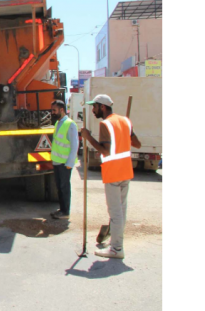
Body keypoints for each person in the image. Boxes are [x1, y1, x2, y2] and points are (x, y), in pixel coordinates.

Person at [82, 95, 142, 260]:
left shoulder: (105, 124)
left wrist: (88, 137)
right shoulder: (125, 121)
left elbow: (105, 151)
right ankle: (116, 243)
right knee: (121, 212)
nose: (93, 110)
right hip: (125, 172)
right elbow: (137, 144)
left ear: (102, 107)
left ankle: (116, 248)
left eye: (94, 107)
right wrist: (125, 133)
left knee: (115, 213)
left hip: (113, 174)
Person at [50, 100, 80, 221]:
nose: (52, 113)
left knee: (64, 187)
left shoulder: (70, 124)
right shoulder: (58, 123)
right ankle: (62, 209)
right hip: (57, 162)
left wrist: (70, 163)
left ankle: (65, 211)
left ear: (61, 110)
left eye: (54, 110)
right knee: (59, 187)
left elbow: (74, 145)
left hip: (64, 163)